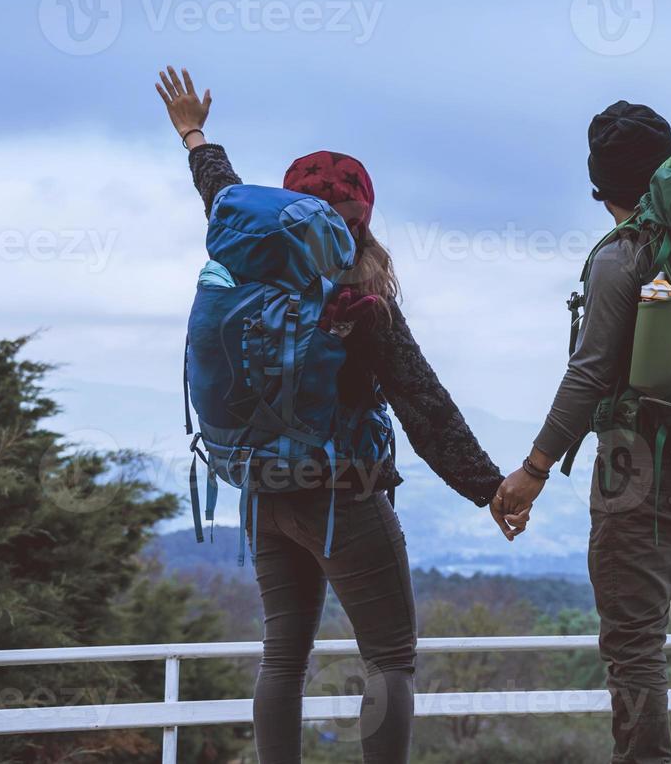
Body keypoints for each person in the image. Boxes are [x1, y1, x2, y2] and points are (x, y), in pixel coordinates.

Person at [156, 66, 518, 764]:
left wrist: (193, 132)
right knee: (390, 660)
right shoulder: (362, 307)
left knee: (283, 658)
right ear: (361, 220)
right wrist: (491, 488)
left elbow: (220, 192)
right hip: (343, 499)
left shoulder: (250, 275)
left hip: (263, 494)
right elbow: (425, 406)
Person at [491, 44, 671, 764]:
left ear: (599, 186)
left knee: (635, 648)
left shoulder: (623, 255)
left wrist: (533, 469)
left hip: (638, 477)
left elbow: (587, 377)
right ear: (670, 168)